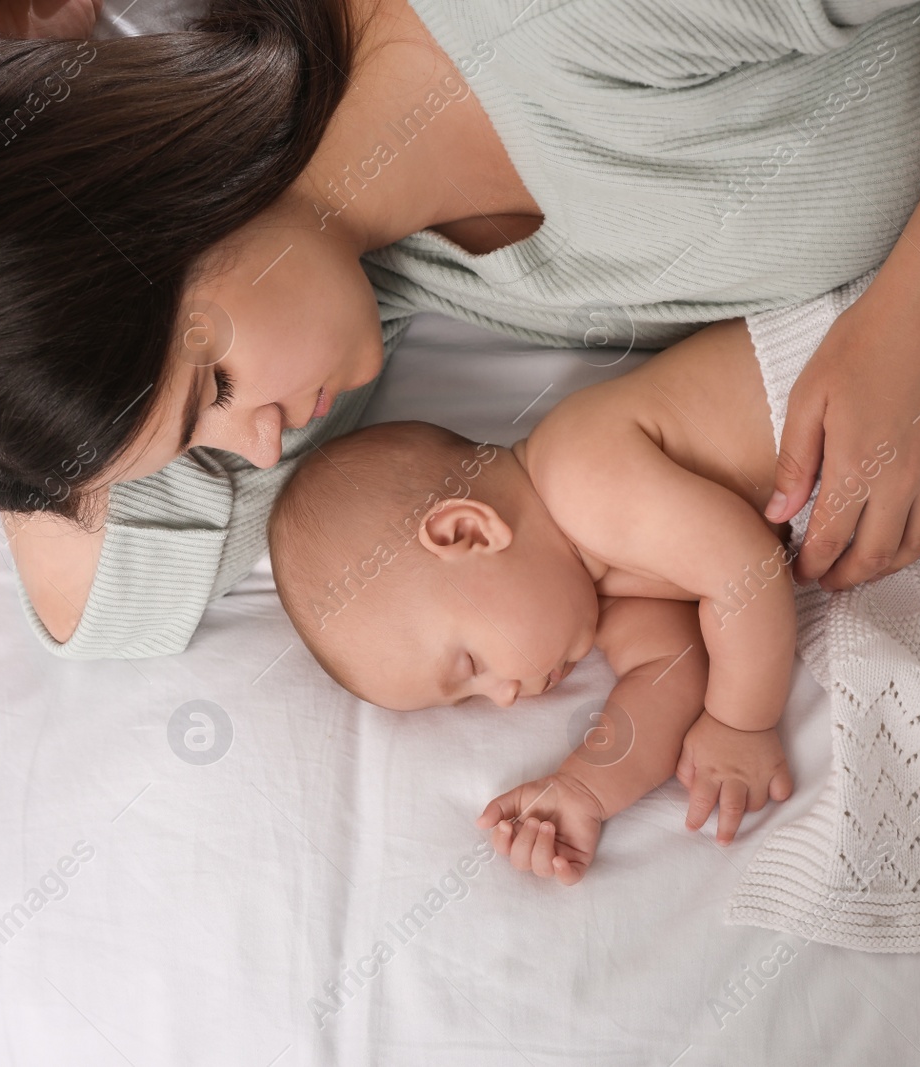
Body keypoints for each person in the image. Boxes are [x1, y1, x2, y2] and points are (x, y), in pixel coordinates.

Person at [0, 0, 920, 659]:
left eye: (214, 388)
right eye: (211, 439)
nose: (255, 442)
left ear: (177, 191)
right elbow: (101, 618)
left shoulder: (553, 25)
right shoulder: (379, 276)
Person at [266, 315, 799, 879]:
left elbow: (749, 571)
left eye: (471, 665)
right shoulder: (592, 587)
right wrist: (583, 789)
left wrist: (741, 723)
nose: (503, 699)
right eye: (472, 698)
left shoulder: (582, 474)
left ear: (468, 533)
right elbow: (673, 673)